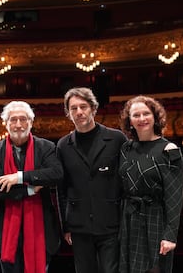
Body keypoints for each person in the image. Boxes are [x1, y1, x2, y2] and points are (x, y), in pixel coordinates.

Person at [0, 100, 63, 273]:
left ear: (31, 122)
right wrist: (29, 189)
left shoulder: (46, 147)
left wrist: (19, 177)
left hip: (41, 230)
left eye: (23, 119)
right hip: (6, 231)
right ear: (5, 123)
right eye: (13, 119)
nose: (18, 124)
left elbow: (56, 174)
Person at [56, 87, 127, 273]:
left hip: (111, 223)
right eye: (73, 108)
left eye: (83, 106)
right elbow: (62, 189)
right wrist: (66, 226)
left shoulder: (117, 138)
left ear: (93, 108)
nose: (79, 112)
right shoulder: (63, 145)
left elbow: (125, 183)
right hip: (79, 225)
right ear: (68, 113)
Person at [118, 95, 183, 273]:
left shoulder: (169, 150)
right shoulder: (126, 149)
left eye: (146, 113)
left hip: (155, 219)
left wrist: (170, 236)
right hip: (128, 219)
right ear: (129, 121)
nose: (141, 119)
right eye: (136, 115)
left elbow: (175, 197)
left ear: (155, 117)